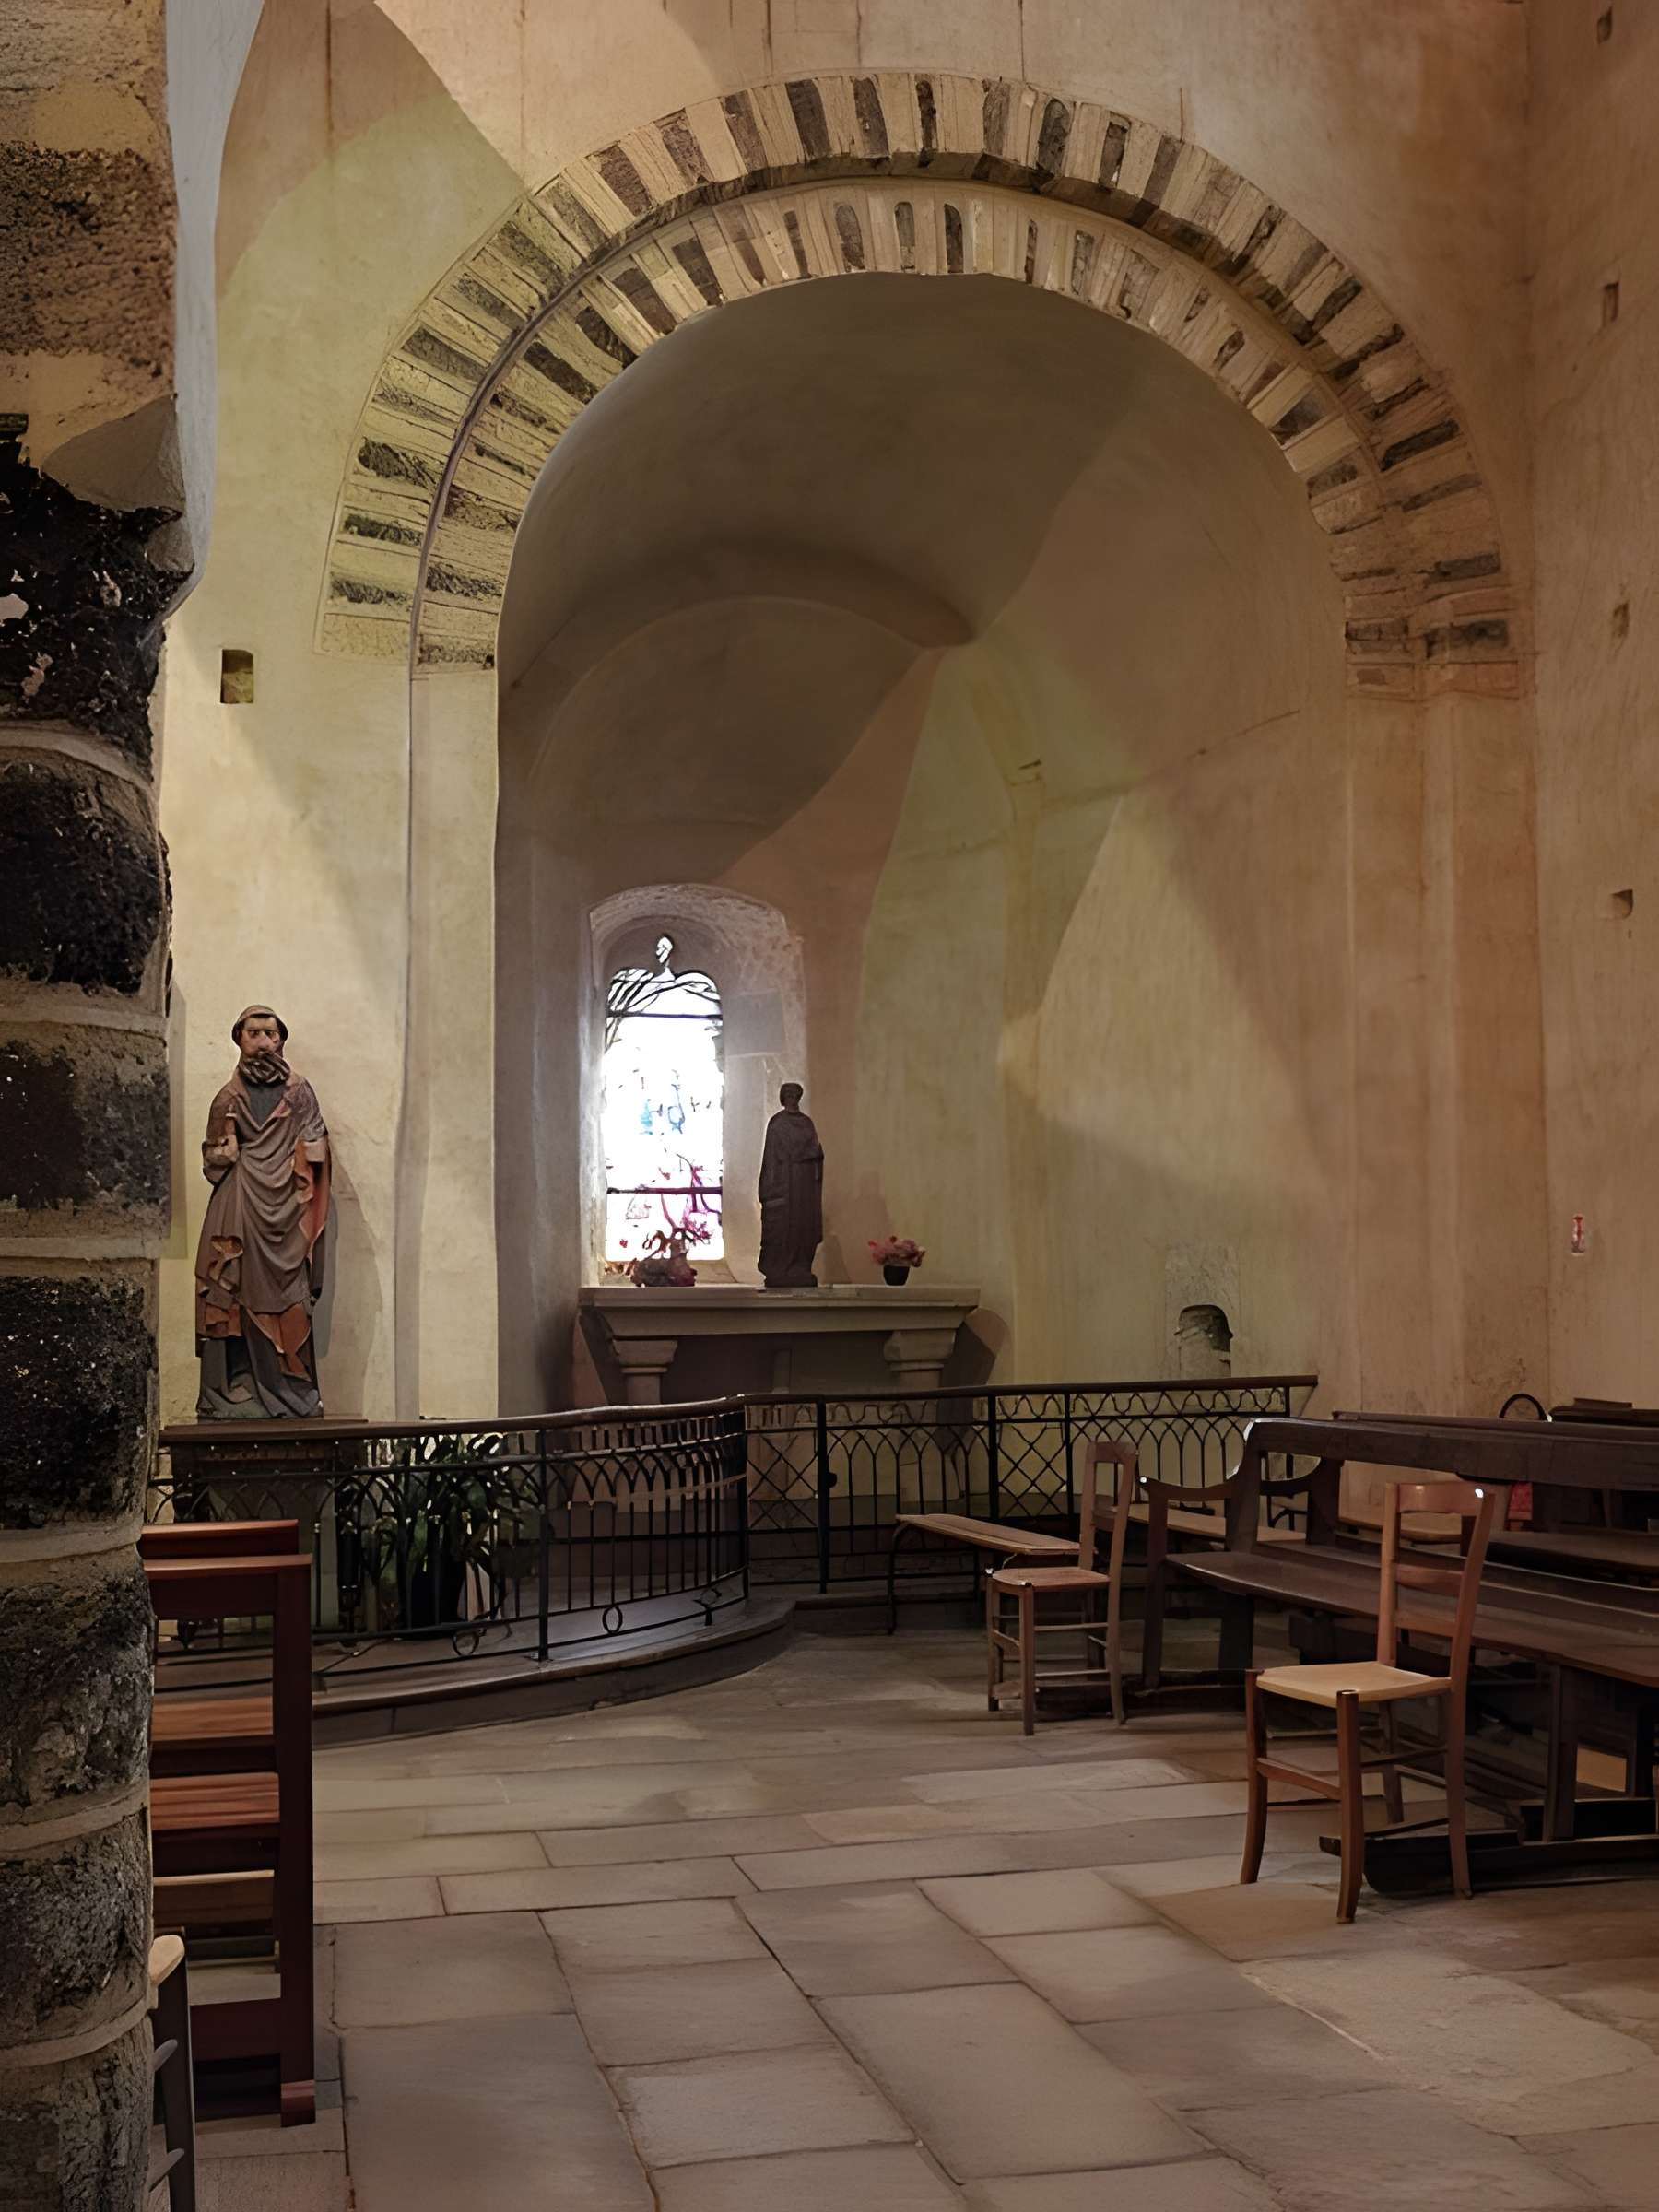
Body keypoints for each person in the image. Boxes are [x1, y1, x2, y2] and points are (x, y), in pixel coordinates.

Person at [194, 1005, 332, 1418]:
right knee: (228, 1290)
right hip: (239, 1205)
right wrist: (225, 1150)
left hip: (289, 1209)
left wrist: (308, 1159)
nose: (263, 1043)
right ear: (239, 1039)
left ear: (281, 1040)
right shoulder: (227, 1098)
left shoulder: (300, 1091)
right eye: (254, 1034)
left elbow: (317, 1142)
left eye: (270, 1034)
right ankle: (233, 1387)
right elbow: (212, 1163)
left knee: (290, 1298)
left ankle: (292, 1387)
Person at [757, 1082, 824, 1289]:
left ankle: (800, 1265)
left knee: (802, 1225)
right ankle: (780, 1266)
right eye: (788, 1094)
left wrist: (815, 1155)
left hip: (803, 1184)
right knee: (782, 1225)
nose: (792, 1097)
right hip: (785, 1183)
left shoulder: (806, 1123)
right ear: (783, 1098)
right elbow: (772, 1157)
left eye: (795, 1094)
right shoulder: (777, 1123)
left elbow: (815, 1151)